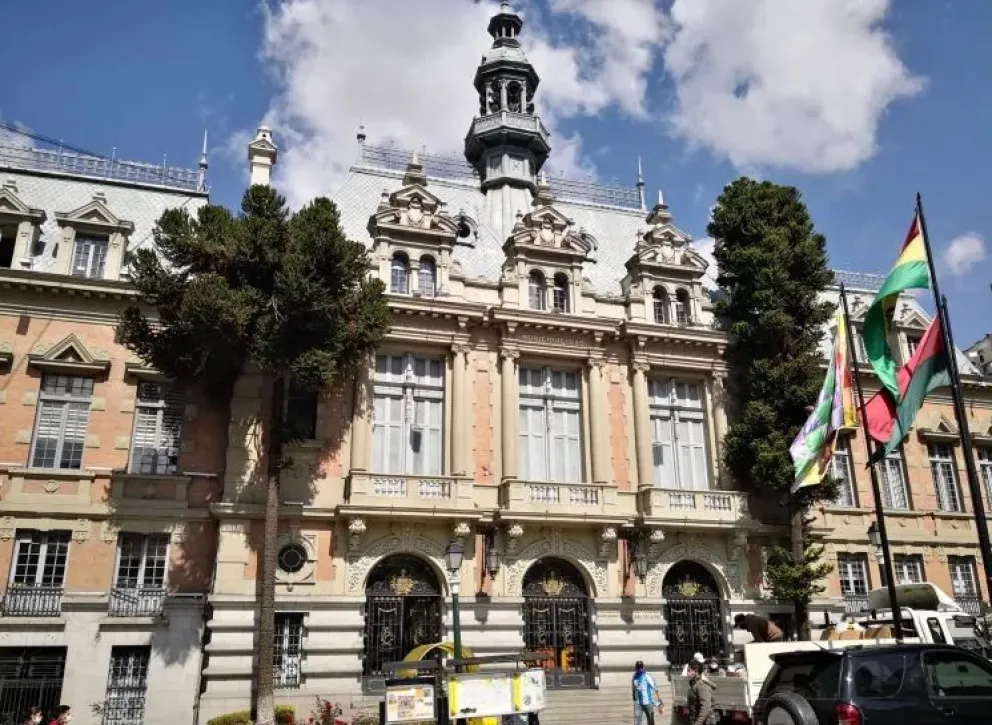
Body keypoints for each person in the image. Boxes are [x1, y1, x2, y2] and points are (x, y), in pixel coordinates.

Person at [631, 660, 661, 725]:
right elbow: (633, 688)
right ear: (636, 667)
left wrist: (659, 699)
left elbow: (655, 686)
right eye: (638, 667)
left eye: (641, 666)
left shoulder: (647, 675)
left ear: (643, 666)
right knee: (637, 721)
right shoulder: (635, 676)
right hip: (638, 703)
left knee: (650, 722)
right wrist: (634, 697)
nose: (639, 668)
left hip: (648, 703)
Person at [686, 661, 715, 725]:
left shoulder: (702, 685)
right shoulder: (693, 683)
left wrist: (698, 723)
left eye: (689, 670)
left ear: (696, 671)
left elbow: (705, 707)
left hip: (704, 722)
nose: (687, 673)